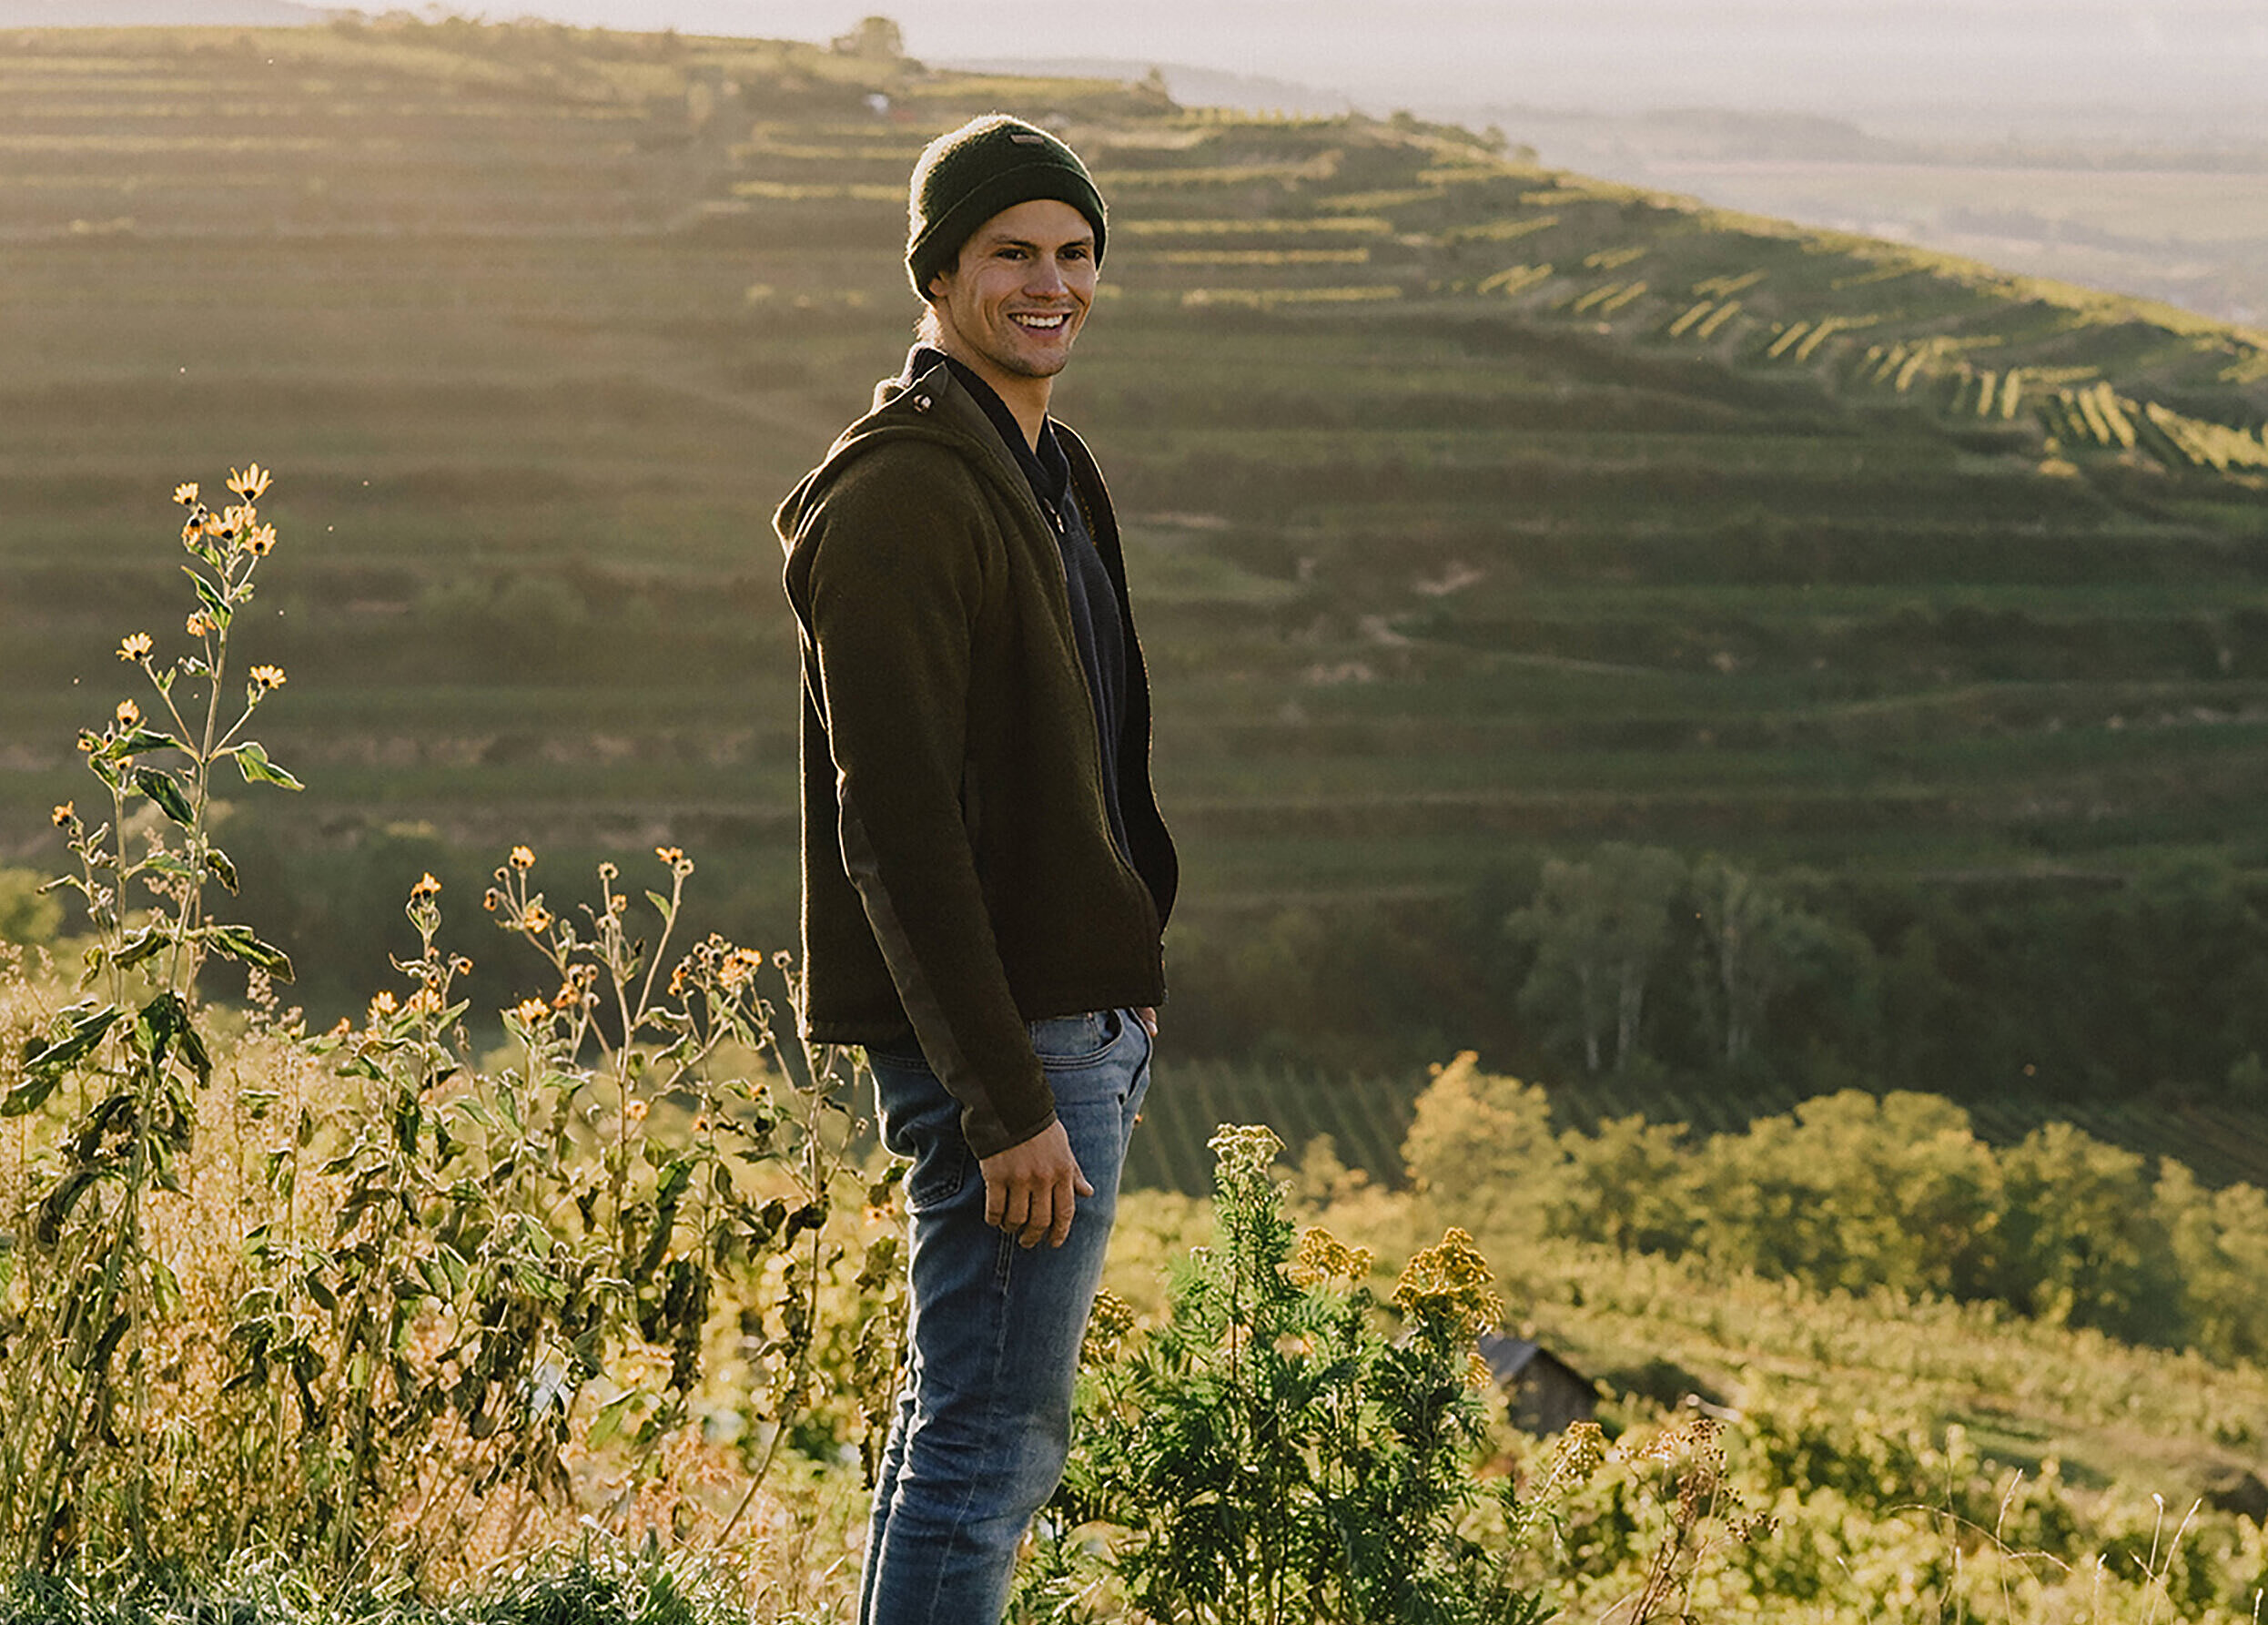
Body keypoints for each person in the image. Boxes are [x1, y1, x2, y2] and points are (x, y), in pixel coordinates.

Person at [774, 114, 1178, 1625]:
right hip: (1008, 1049)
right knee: (988, 1445)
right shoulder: (899, 495)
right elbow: (894, 829)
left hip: (1075, 1022)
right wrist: (1007, 1099)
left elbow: (1097, 746)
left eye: (1074, 253)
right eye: (1012, 252)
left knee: (966, 1428)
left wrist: (1127, 967)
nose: (1050, 282)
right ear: (938, 274)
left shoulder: (1049, 469)